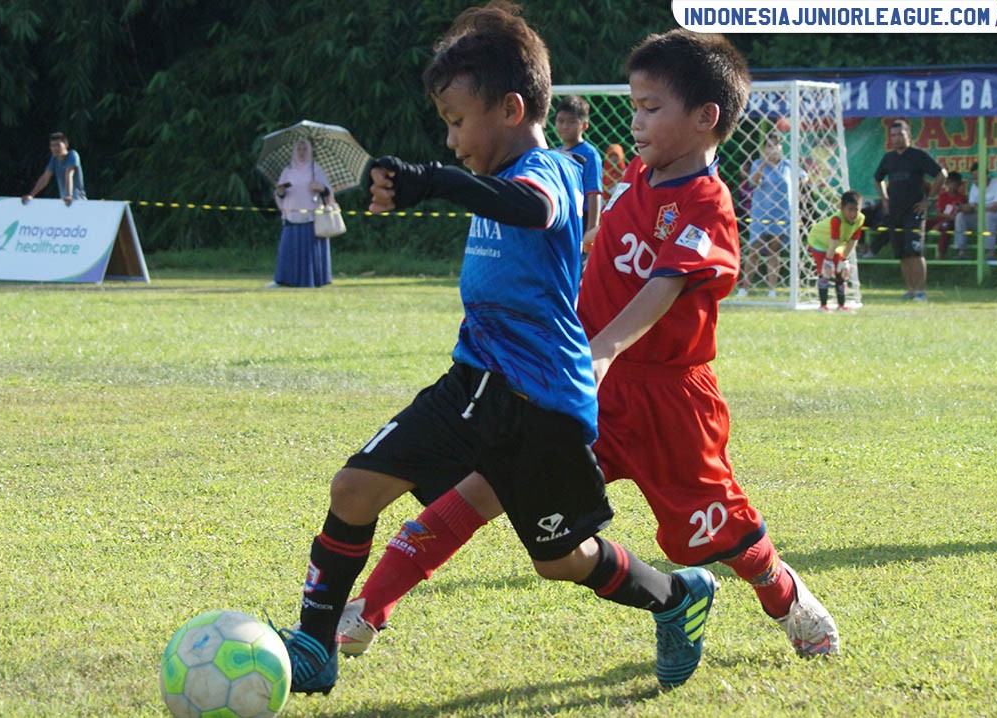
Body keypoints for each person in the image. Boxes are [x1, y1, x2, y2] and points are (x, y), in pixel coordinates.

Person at [336, 28, 840, 668]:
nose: (636, 121)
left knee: (715, 531)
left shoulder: (708, 204)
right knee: (480, 489)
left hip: (668, 405)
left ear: (705, 118)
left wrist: (601, 350)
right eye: (635, 105)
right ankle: (367, 610)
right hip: (576, 388)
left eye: (651, 107)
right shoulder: (633, 178)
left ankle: (784, 594)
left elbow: (662, 288)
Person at [275, 3, 716, 696]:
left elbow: (531, 207)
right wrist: (436, 182)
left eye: (457, 122)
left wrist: (434, 181)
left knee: (561, 559)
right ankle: (313, 646)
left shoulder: (554, 171)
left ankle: (675, 596)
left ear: (511, 109)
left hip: (541, 406)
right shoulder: (493, 177)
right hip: (472, 383)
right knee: (353, 489)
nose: (451, 140)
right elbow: (493, 199)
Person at [873, 119, 946, 301]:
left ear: (908, 135)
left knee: (915, 252)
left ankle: (921, 292)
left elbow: (941, 174)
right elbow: (877, 178)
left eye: (900, 134)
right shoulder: (888, 158)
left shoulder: (918, 156)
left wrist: (929, 200)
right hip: (895, 212)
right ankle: (911, 290)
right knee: (902, 253)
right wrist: (885, 199)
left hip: (914, 212)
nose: (897, 138)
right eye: (893, 135)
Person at [736, 132, 798, 299]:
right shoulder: (758, 164)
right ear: (764, 149)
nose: (773, 149)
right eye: (769, 146)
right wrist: (764, 163)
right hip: (761, 213)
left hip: (781, 214)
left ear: (781, 147)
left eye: (776, 145)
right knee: (754, 248)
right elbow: (752, 182)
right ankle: (744, 288)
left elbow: (804, 179)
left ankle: (772, 289)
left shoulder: (788, 165)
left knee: (773, 250)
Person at [269, 137, 334, 287]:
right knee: (287, 249)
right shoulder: (288, 171)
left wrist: (320, 188)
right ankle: (283, 280)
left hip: (311, 217)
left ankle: (313, 280)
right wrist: (280, 191)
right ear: (294, 151)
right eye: (299, 149)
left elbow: (328, 192)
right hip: (291, 215)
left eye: (305, 149)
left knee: (309, 251)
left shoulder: (316, 169)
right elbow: (281, 193)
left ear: (310, 151)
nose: (301, 152)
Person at [553, 95, 604, 244]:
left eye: (571, 121)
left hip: (581, 217)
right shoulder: (555, 153)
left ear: (585, 125)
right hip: (561, 217)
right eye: (561, 121)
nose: (565, 126)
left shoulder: (589, 154)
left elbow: (594, 193)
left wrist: (591, 228)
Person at [806, 190, 865, 312]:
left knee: (842, 272)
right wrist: (828, 260)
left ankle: (841, 306)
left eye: (856, 209)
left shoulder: (860, 219)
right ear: (841, 208)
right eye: (850, 209)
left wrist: (844, 259)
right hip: (819, 242)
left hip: (836, 245)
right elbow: (834, 240)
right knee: (826, 272)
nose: (853, 213)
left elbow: (853, 240)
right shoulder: (836, 220)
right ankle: (823, 306)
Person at [953, 162, 997, 260]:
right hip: (982, 219)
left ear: (986, 175)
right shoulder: (974, 187)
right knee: (960, 216)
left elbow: (995, 209)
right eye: (974, 179)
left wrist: (976, 209)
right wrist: (963, 208)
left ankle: (990, 252)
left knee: (988, 216)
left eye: (977, 178)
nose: (976, 181)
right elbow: (972, 206)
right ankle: (961, 251)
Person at [21, 132, 86, 206]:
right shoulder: (54, 159)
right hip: (65, 202)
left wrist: (68, 195)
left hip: (78, 202)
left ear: (66, 145)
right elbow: (45, 177)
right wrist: (31, 195)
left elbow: (69, 174)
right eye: (52, 145)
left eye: (58, 145)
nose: (55, 148)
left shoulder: (72, 155)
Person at [928, 171, 966, 258]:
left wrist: (943, 221)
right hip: (940, 220)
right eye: (949, 183)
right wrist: (940, 222)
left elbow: (957, 216)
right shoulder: (943, 196)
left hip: (951, 223)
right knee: (922, 224)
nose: (951, 186)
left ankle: (940, 254)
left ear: (959, 184)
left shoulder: (961, 198)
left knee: (945, 228)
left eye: (954, 183)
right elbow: (938, 213)